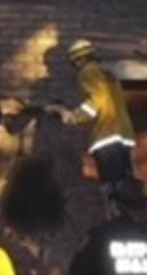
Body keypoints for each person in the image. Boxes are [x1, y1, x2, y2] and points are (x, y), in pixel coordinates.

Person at [46, 39, 137, 186]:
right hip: (124, 136)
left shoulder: (87, 73)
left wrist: (71, 116)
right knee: (127, 187)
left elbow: (96, 101)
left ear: (80, 59)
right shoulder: (107, 74)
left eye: (75, 62)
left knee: (112, 187)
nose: (75, 66)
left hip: (106, 135)